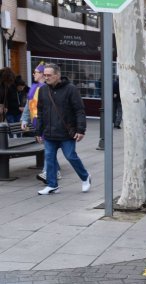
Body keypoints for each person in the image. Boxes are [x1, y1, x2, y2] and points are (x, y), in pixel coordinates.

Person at [36, 63, 91, 195]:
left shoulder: (71, 89)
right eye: (45, 75)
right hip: (49, 133)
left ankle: (85, 177)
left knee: (71, 156)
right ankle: (52, 185)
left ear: (57, 75)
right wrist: (38, 131)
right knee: (49, 158)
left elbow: (79, 110)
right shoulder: (43, 90)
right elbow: (41, 112)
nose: (46, 77)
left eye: (49, 75)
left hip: (66, 132)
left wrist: (81, 130)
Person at [20, 63, 62, 183]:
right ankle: (55, 170)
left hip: (47, 123)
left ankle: (47, 171)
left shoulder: (49, 88)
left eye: (36, 72)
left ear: (43, 74)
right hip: (37, 123)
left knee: (48, 148)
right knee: (48, 149)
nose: (33, 74)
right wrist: (24, 119)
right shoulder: (33, 88)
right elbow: (29, 106)